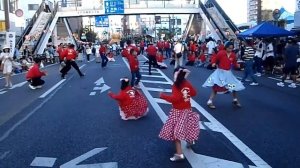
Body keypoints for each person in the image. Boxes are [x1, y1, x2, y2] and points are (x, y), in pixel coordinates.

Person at [159, 67, 200, 162]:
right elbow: (194, 93)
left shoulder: (176, 85)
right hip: (188, 110)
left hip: (178, 112)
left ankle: (179, 153)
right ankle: (190, 141)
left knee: (175, 132)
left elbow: (175, 99)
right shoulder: (186, 83)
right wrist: (186, 94)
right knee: (188, 127)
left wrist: (162, 96)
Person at [202, 42, 245, 109]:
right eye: (229, 48)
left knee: (234, 86)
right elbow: (215, 58)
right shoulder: (221, 53)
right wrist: (213, 63)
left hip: (228, 74)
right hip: (220, 73)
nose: (230, 49)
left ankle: (235, 100)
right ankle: (210, 101)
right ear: (226, 47)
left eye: (231, 48)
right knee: (216, 87)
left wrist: (239, 66)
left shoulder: (233, 55)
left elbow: (234, 63)